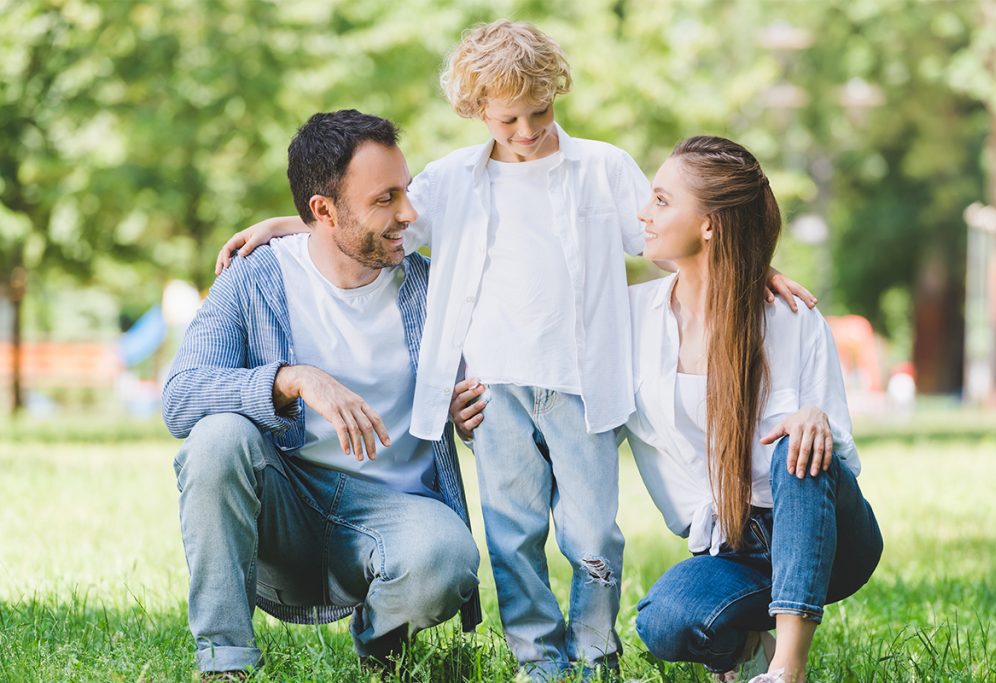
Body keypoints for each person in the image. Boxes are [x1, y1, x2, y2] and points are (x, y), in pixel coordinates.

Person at [214, 21, 812, 680]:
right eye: (507, 120)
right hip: (495, 394)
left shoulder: (602, 168)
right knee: (513, 535)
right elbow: (369, 226)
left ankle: (593, 652)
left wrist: (749, 270)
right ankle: (537, 657)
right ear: (477, 112)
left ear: (557, 91)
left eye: (540, 111)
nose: (527, 131)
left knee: (592, 534)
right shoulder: (449, 182)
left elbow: (670, 238)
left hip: (585, 388)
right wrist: (284, 225)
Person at [162, 109, 481, 679]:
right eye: (386, 199)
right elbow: (181, 397)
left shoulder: (434, 287)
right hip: (287, 506)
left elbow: (488, 391)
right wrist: (292, 379)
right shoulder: (254, 276)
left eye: (405, 192)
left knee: (447, 558)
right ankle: (224, 661)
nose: (408, 214)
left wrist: (472, 414)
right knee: (217, 436)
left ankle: (379, 647)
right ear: (323, 211)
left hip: (395, 514)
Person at [623, 136, 883, 682]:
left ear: (710, 225)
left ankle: (787, 669)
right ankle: (746, 639)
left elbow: (840, 466)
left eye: (663, 201)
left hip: (828, 539)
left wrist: (816, 421)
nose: (644, 213)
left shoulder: (790, 318)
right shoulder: (630, 321)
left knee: (800, 440)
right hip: (732, 543)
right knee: (665, 623)